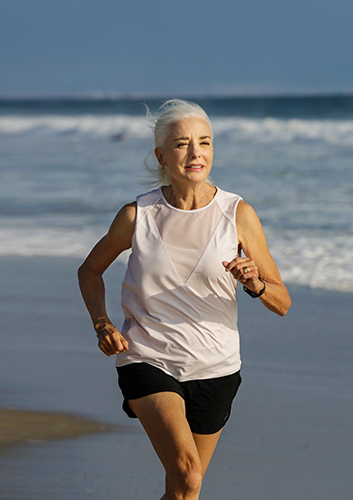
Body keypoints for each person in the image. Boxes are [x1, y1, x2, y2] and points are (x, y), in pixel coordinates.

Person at [77, 99, 291, 500]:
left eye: (204, 143)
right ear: (162, 155)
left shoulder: (237, 213)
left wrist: (256, 284)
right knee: (189, 475)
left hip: (217, 366)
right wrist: (102, 324)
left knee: (181, 491)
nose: (195, 153)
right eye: (182, 144)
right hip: (148, 357)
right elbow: (89, 270)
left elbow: (282, 301)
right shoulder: (137, 216)